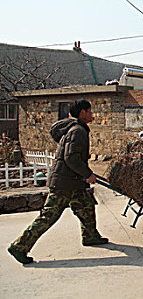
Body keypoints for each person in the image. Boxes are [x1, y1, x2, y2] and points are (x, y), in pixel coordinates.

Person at [7, 99, 108, 264]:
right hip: (64, 184)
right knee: (49, 216)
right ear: (82, 113)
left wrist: (85, 175)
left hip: (73, 182)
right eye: (89, 111)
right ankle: (20, 246)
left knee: (86, 206)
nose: (92, 114)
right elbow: (71, 158)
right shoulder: (78, 131)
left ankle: (90, 236)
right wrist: (88, 174)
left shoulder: (77, 129)